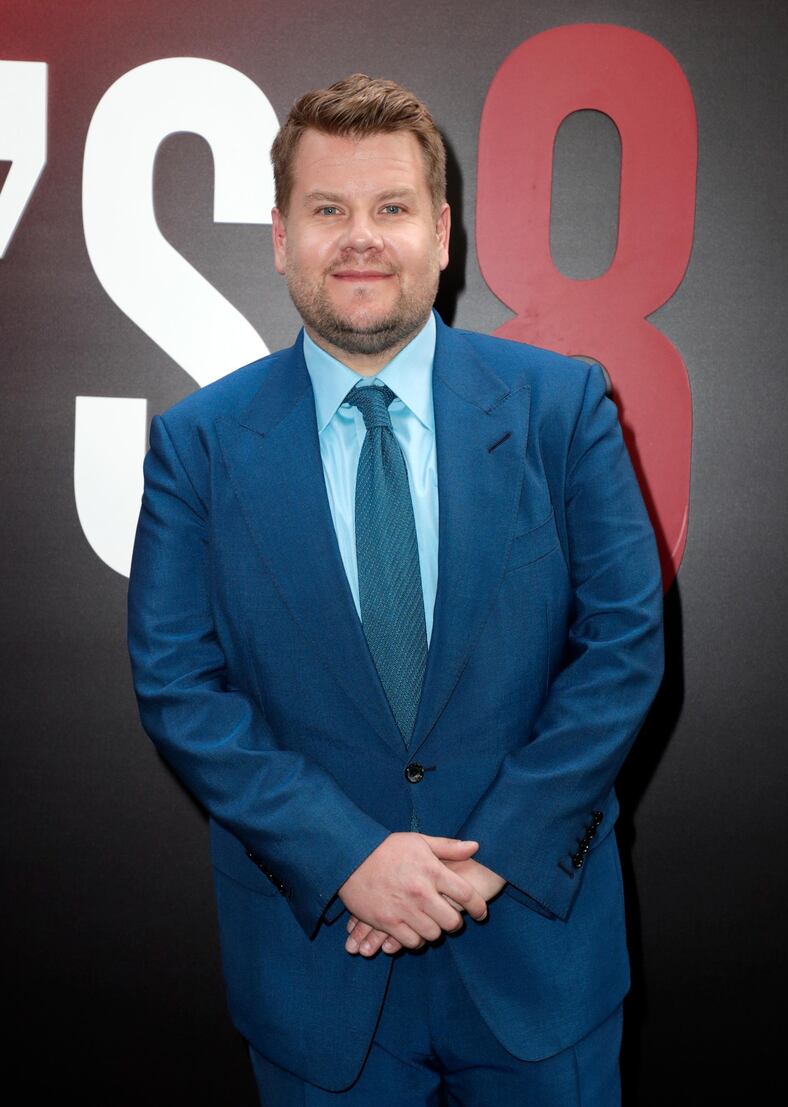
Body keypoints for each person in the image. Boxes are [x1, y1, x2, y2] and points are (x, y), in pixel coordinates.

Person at [127, 73, 664, 1105]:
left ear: (442, 231)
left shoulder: (561, 408)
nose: (359, 237)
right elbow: (178, 687)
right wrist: (344, 858)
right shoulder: (196, 446)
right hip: (315, 968)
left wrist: (487, 859)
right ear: (281, 235)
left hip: (536, 959)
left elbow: (624, 644)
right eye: (327, 210)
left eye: (391, 208)